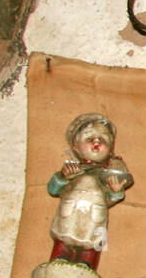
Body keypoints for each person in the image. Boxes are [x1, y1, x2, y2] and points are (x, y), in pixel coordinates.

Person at [46, 114, 133, 269]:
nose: (96, 142)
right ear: (75, 147)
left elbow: (107, 201)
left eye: (103, 139)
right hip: (68, 217)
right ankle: (59, 260)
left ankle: (87, 265)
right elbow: (52, 189)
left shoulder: (107, 174)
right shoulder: (72, 171)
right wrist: (63, 178)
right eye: (89, 138)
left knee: (92, 247)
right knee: (63, 241)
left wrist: (116, 192)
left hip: (95, 221)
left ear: (111, 150)